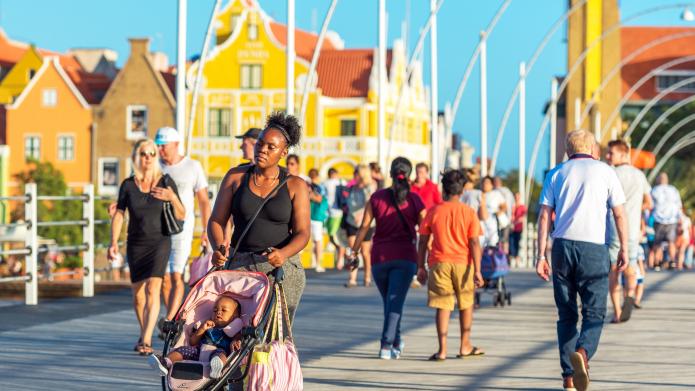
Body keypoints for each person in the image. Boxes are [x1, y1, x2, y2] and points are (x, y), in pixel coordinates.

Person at [536, 130, 629, 391]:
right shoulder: (606, 171)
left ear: (568, 150)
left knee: (566, 315)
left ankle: (569, 377)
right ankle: (584, 353)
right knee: (594, 312)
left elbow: (545, 216)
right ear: (592, 148)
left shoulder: (556, 173)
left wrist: (540, 255)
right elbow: (620, 214)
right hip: (593, 249)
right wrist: (624, 249)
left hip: (562, 247)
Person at [207, 112, 310, 322]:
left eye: (271, 147)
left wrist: (283, 253)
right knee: (234, 329)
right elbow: (217, 220)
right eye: (260, 143)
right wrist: (218, 247)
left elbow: (303, 233)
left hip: (280, 268)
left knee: (272, 336)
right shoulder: (236, 177)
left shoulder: (295, 185)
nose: (262, 150)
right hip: (240, 264)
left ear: (283, 152)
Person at [108, 139, 185, 355]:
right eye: (144, 153)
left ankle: (147, 340)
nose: (149, 157)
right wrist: (113, 242)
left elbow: (182, 214)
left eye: (152, 153)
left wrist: (171, 197)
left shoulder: (166, 181)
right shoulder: (128, 185)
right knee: (138, 295)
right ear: (137, 157)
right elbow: (120, 214)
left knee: (154, 288)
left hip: (160, 241)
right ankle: (143, 332)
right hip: (135, 243)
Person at [347, 157, 426, 359]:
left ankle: (397, 341)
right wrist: (424, 259)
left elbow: (364, 226)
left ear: (390, 174)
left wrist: (354, 251)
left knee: (391, 302)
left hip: (379, 258)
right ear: (410, 176)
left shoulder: (376, 198)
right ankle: (386, 344)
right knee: (395, 301)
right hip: (406, 257)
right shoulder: (415, 200)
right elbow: (425, 230)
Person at [417, 169, 484, 361]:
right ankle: (465, 345)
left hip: (439, 262)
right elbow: (474, 243)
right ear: (462, 191)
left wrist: (420, 266)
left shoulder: (434, 211)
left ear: (443, 189)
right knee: (466, 304)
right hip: (464, 263)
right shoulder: (469, 212)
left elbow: (422, 241)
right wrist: (478, 271)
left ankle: (442, 350)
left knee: (443, 306)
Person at [155, 126, 212, 331]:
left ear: (177, 145)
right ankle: (173, 313)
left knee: (176, 274)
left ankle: (169, 321)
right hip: (158, 230)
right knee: (163, 278)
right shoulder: (155, 166)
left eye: (164, 146)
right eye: (159, 146)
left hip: (182, 229)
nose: (161, 151)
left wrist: (206, 230)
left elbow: (204, 201)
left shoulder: (192, 166)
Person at [605, 139, 652, 324]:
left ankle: (617, 313)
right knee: (630, 266)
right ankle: (630, 294)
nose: (608, 156)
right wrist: (637, 207)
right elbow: (649, 202)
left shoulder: (611, 174)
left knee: (614, 271)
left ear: (623, 154)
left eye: (611, 153)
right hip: (632, 229)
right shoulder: (640, 175)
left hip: (614, 227)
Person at [149, 295, 243, 379]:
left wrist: (235, 342)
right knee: (181, 350)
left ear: (234, 316)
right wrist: (202, 329)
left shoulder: (234, 329)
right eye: (215, 310)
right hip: (198, 352)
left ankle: (216, 368)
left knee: (220, 355)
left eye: (223, 310)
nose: (218, 312)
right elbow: (193, 342)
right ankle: (165, 363)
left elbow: (237, 340)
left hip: (217, 352)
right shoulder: (206, 325)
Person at [344, 164, 377, 287]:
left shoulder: (369, 187)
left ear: (362, 175)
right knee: (353, 250)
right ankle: (352, 278)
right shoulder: (352, 188)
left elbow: (370, 202)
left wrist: (362, 214)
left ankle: (367, 276)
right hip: (352, 222)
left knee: (365, 252)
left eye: (356, 173)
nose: (354, 176)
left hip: (366, 223)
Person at [650, 173, 682, 270]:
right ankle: (672, 262)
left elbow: (650, 205)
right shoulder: (673, 190)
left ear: (659, 180)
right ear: (667, 180)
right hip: (672, 220)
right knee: (671, 242)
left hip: (658, 219)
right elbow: (679, 205)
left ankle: (657, 263)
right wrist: (679, 219)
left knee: (657, 242)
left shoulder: (654, 190)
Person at [323, 168, 346, 269]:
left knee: (334, 237)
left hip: (332, 213)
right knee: (335, 237)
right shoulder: (342, 182)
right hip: (339, 212)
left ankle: (341, 258)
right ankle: (342, 255)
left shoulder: (326, 183)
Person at [308, 168, 328, 272]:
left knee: (312, 240)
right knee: (318, 240)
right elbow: (320, 199)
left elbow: (317, 198)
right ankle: (318, 263)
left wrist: (310, 195)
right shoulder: (320, 187)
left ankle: (315, 262)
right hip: (316, 216)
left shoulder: (308, 186)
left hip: (310, 215)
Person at [481, 176, 507, 249]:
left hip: (493, 224)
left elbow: (504, 206)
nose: (484, 185)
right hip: (481, 224)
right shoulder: (479, 194)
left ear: (491, 185)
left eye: (487, 183)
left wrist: (499, 212)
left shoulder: (496, 194)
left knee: (492, 244)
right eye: (483, 183)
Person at [493, 177, 515, 253]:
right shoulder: (508, 191)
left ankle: (500, 256)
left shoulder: (494, 192)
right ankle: (504, 257)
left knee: (499, 239)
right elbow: (513, 206)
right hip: (506, 219)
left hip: (499, 219)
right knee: (505, 239)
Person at [510, 192, 527, 267]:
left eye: (518, 196)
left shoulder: (522, 207)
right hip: (511, 228)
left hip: (518, 228)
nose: (516, 198)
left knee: (517, 243)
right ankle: (511, 259)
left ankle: (516, 259)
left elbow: (522, 218)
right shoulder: (512, 206)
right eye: (515, 196)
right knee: (510, 243)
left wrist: (514, 223)